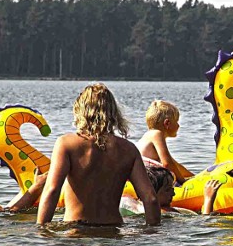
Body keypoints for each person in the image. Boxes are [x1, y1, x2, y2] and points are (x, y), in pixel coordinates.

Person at [37, 82, 160, 226]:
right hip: (113, 230)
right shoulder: (128, 149)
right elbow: (150, 197)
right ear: (114, 113)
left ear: (80, 111)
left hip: (76, 230)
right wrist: (151, 233)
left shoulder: (66, 144)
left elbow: (52, 190)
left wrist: (42, 231)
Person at [136, 100, 194, 184]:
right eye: (176, 121)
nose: (178, 125)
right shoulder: (156, 134)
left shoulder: (148, 135)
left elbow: (175, 165)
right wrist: (183, 182)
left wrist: (194, 176)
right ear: (167, 123)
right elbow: (167, 164)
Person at [135, 165, 222, 214]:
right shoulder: (164, 213)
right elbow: (204, 224)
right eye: (167, 189)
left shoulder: (138, 207)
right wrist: (209, 199)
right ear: (151, 193)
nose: (173, 194)